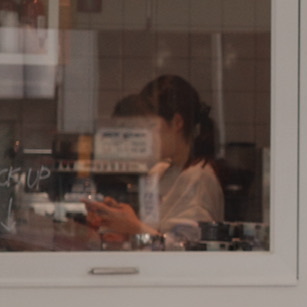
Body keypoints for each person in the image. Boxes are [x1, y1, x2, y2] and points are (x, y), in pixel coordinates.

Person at [83, 75, 225, 248]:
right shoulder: (162, 171)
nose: (146, 136)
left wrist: (134, 227)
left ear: (177, 122)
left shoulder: (200, 178)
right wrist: (120, 221)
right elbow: (153, 235)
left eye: (151, 126)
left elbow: (187, 250)